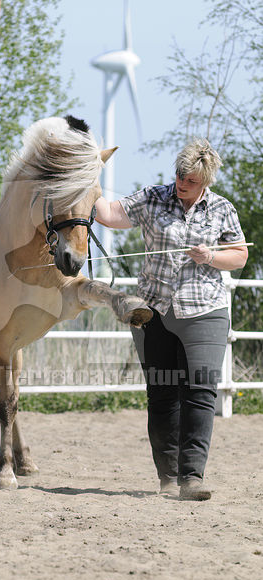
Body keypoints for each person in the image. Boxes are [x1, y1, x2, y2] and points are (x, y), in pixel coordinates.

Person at [95, 138, 248, 500]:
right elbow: (108, 214)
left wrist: (210, 256)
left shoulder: (222, 209)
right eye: (180, 175)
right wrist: (90, 172)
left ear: (206, 181)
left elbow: (239, 255)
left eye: (191, 180)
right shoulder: (152, 197)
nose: (182, 183)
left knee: (200, 390)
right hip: (154, 312)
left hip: (205, 311)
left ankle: (191, 478)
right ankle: (168, 476)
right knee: (162, 393)